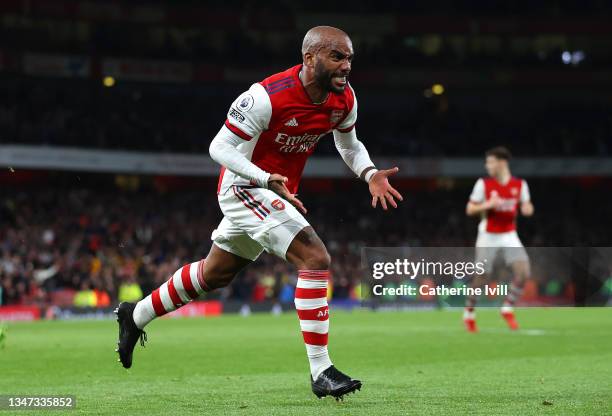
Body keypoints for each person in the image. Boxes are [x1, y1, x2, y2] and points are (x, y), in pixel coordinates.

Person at [115, 26, 403, 400]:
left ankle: (134, 316)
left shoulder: (344, 98)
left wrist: (369, 173)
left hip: (274, 190)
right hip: (244, 186)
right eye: (337, 57)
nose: (346, 66)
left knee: (214, 273)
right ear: (310, 57)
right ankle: (322, 370)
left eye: (349, 58)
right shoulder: (265, 97)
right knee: (315, 257)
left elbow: (349, 144)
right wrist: (264, 178)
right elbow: (219, 147)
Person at [464, 146, 534, 332]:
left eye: (491, 162)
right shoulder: (483, 184)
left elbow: (527, 205)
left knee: (524, 272)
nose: (488, 166)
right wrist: (488, 204)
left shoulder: (520, 185)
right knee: (482, 277)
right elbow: (470, 209)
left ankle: (507, 307)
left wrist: (527, 209)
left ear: (502, 163)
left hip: (509, 234)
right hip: (488, 234)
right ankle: (469, 312)